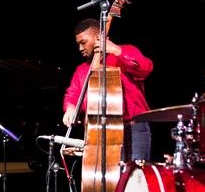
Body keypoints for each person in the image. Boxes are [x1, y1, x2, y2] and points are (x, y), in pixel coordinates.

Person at [62, 18, 154, 162]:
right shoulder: (82, 70)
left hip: (134, 129)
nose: (80, 48)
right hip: (99, 133)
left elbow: (145, 69)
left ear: (98, 37)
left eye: (83, 43)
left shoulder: (125, 51)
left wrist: (117, 50)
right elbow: (72, 94)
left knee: (136, 177)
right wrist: (70, 108)